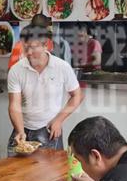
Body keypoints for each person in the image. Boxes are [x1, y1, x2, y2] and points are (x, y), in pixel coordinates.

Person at [7, 25, 83, 155]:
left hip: (49, 130)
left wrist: (59, 120)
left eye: (33, 47)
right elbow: (14, 104)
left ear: (46, 45)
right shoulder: (16, 70)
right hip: (23, 128)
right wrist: (20, 130)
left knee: (52, 167)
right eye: (25, 47)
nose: (28, 52)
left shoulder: (62, 67)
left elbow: (77, 96)